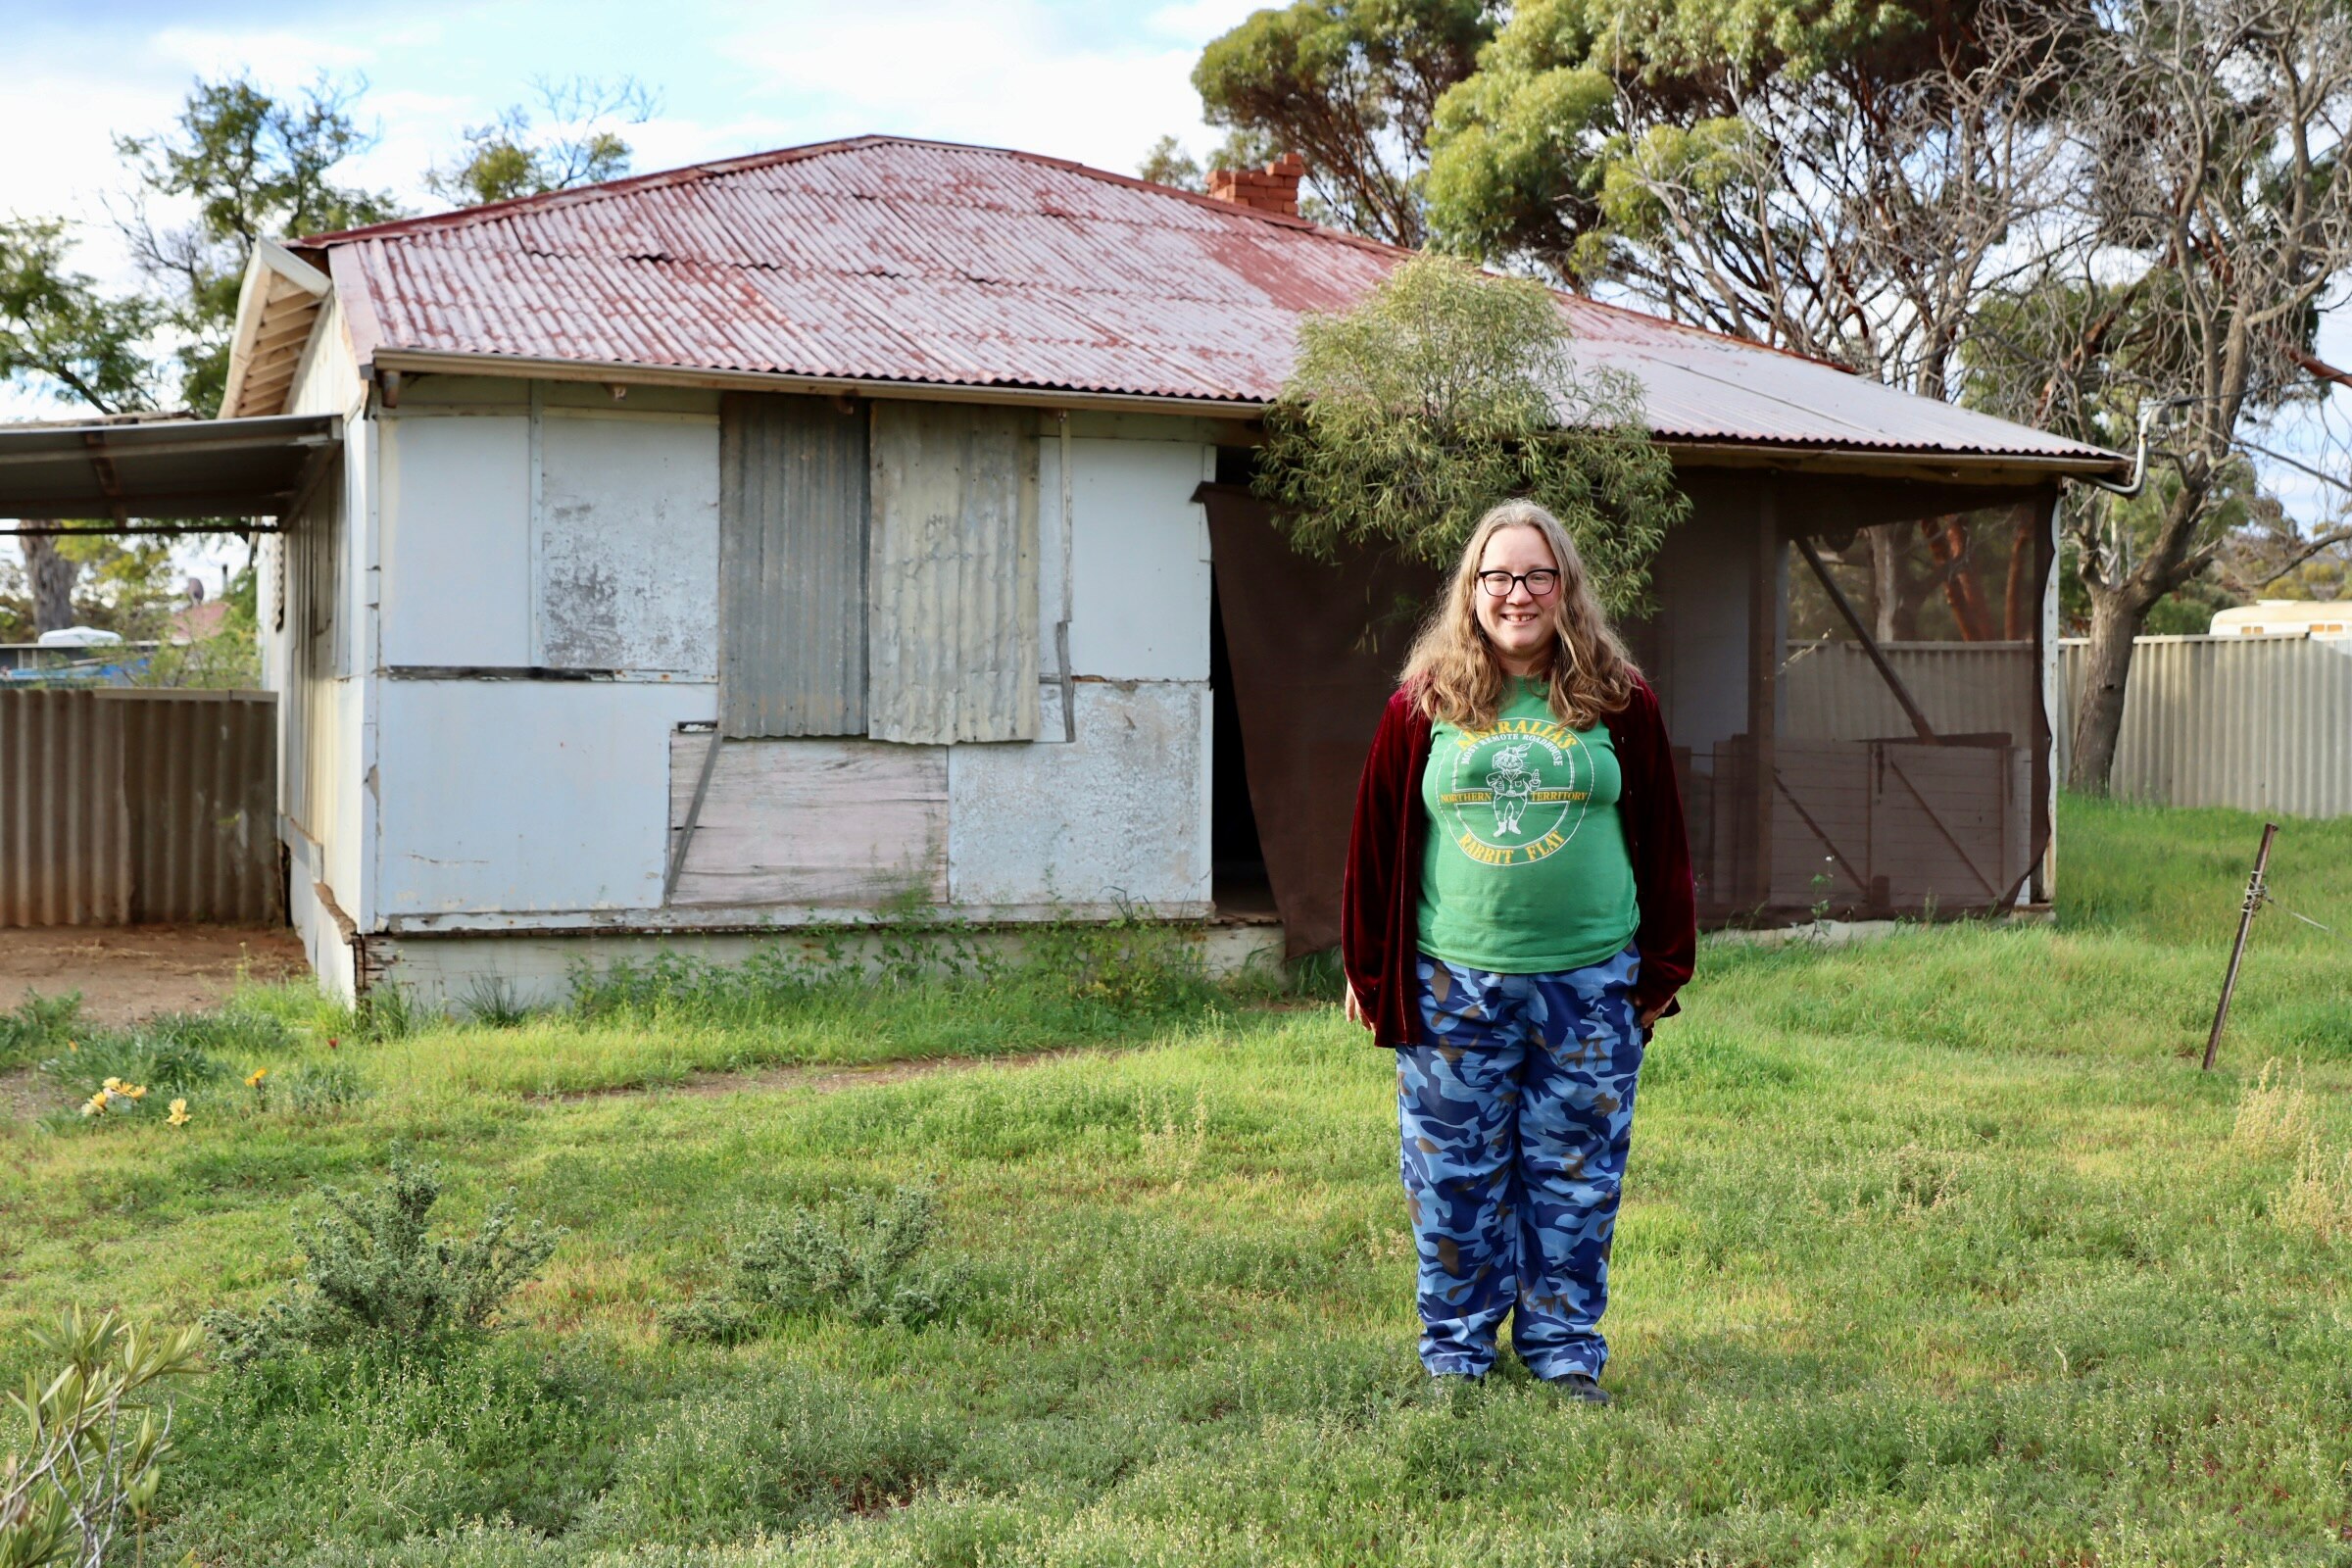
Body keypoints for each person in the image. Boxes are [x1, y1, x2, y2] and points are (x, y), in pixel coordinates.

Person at [1342, 498, 1695, 1403]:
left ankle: (1564, 1351)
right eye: (1497, 577)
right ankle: (1455, 1353)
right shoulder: (1422, 704)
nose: (1517, 594)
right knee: (1453, 1179)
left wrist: (1659, 974)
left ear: (1565, 588)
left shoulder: (1621, 699)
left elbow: (1662, 839)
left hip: (1590, 985)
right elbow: (1377, 841)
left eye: (1537, 575)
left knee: (1574, 1178)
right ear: (1471, 592)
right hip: (1453, 983)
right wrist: (1370, 972)